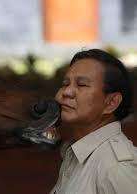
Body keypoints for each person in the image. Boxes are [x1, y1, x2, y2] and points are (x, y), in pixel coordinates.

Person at [50, 49, 137, 194]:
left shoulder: (116, 168)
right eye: (65, 83)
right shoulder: (75, 153)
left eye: (81, 85)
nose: (66, 92)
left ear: (111, 103)